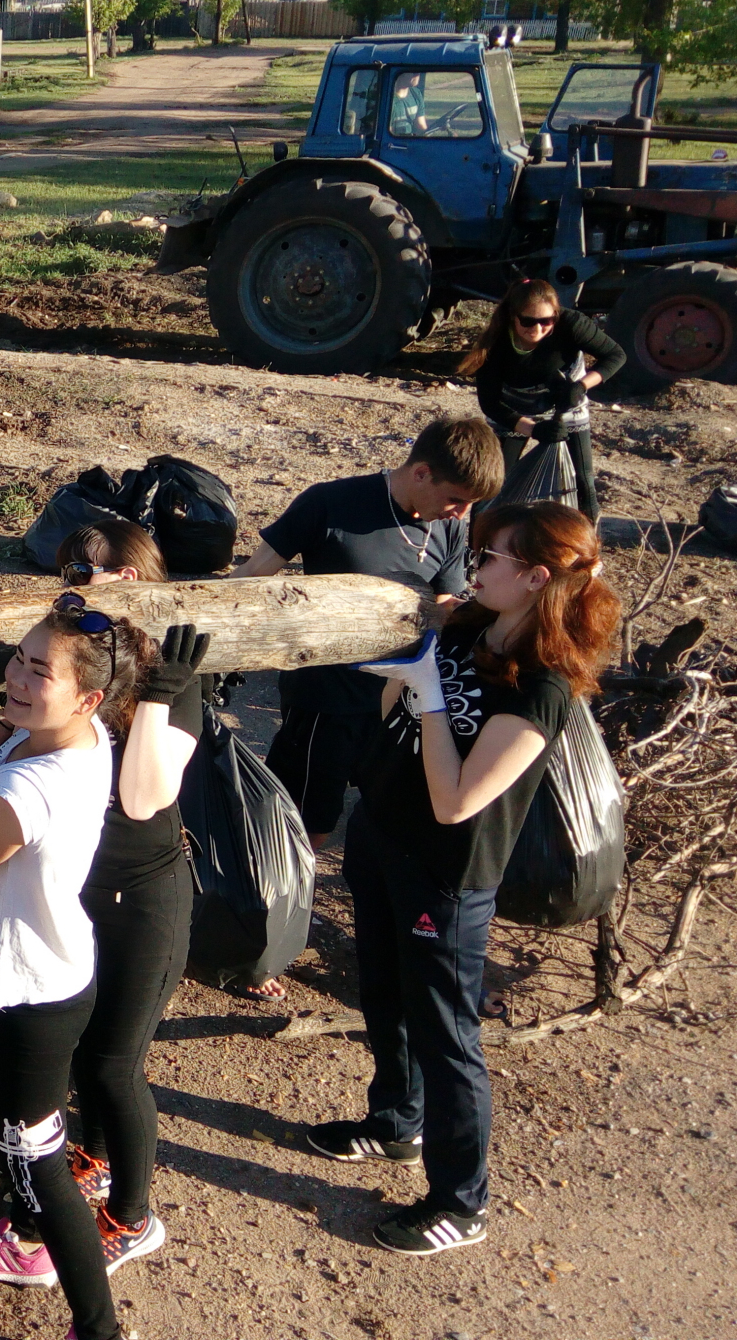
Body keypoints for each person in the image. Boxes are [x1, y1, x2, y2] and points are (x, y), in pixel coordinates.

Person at [308, 502, 618, 1256]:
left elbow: (457, 802)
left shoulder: (542, 690)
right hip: (381, 833)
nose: (474, 567)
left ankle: (461, 1202)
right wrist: (420, 664)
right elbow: (393, 710)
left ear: (535, 577)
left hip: (445, 873)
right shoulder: (469, 627)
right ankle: (394, 1123)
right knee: (381, 987)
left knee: (447, 1032)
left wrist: (432, 695)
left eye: (490, 558)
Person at [0, 595, 147, 1340]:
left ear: (88, 695)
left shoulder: (28, 793)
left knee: (34, 1157)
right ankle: (28, 1229)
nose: (17, 673)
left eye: (40, 670)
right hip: (52, 968)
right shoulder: (83, 737)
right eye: (17, 654)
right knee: (30, 1140)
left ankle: (93, 1323)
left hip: (30, 995)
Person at [229, 416, 502, 860]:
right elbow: (252, 576)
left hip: (397, 703)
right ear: (421, 473)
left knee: (378, 809)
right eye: (456, 500)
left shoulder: (448, 525)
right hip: (325, 699)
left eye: (471, 504)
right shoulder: (331, 503)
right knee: (302, 819)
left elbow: (444, 603)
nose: (462, 514)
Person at [51, 522, 201, 1273]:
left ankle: (133, 1217)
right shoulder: (76, 656)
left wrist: (156, 703)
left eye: (97, 571)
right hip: (82, 889)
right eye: (73, 567)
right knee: (82, 1041)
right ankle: (98, 1156)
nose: (79, 579)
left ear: (136, 582)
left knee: (115, 1062)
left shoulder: (179, 679)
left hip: (147, 898)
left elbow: (143, 798)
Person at [459, 278, 623, 524]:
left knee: (582, 481)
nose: (537, 329)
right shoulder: (497, 343)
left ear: (556, 316)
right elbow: (490, 404)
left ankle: (587, 547)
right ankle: (478, 551)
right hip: (513, 407)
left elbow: (615, 355)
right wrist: (533, 429)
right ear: (514, 316)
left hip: (565, 402)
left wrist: (581, 386)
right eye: (528, 321)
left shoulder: (572, 324)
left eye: (546, 321)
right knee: (492, 484)